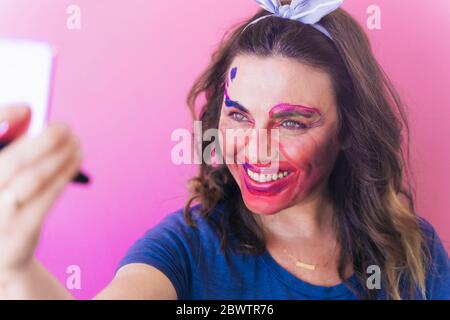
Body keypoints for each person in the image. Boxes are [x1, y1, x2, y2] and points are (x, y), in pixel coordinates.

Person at [0, 0, 449, 300]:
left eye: (290, 122)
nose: (255, 150)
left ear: (349, 128)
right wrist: (16, 268)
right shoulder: (185, 248)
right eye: (238, 116)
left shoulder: (412, 249)